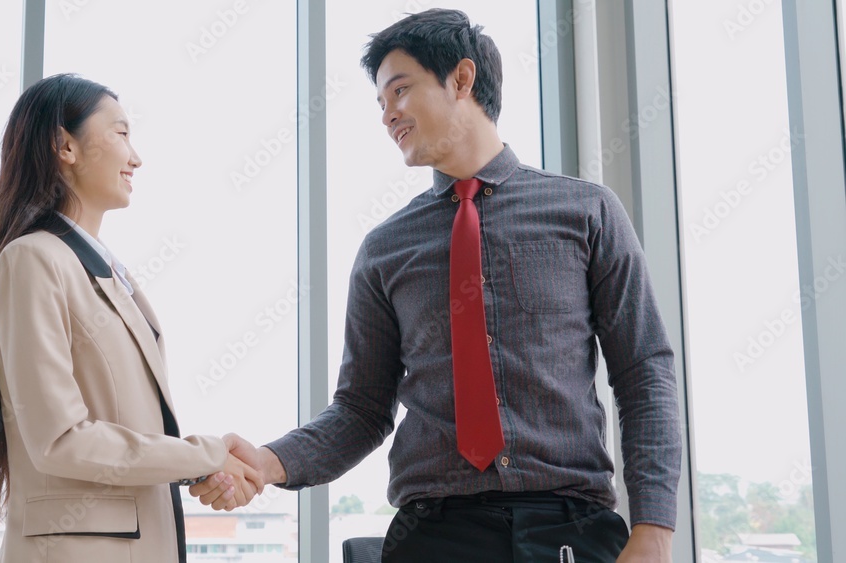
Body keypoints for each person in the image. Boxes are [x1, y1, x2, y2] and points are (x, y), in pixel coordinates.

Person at [192, 9, 681, 562]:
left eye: (399, 91)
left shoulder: (586, 211)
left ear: (462, 79)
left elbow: (644, 372)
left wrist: (655, 527)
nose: (387, 115)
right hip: (434, 536)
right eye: (380, 102)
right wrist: (267, 460)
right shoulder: (385, 247)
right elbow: (360, 409)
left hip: (570, 528)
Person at [0, 73, 262, 563]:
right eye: (122, 134)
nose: (137, 157)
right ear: (66, 146)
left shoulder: (103, 268)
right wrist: (204, 454)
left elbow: (125, 429)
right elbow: (59, 440)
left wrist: (201, 467)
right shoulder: (34, 259)